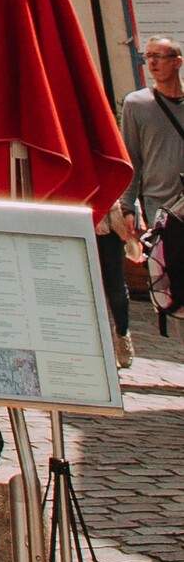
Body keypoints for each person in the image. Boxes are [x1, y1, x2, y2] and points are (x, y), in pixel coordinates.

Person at [113, 37, 184, 370]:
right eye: (148, 57)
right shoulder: (137, 104)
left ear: (178, 61)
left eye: (160, 57)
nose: (153, 63)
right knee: (174, 286)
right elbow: (132, 159)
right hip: (162, 213)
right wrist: (128, 206)